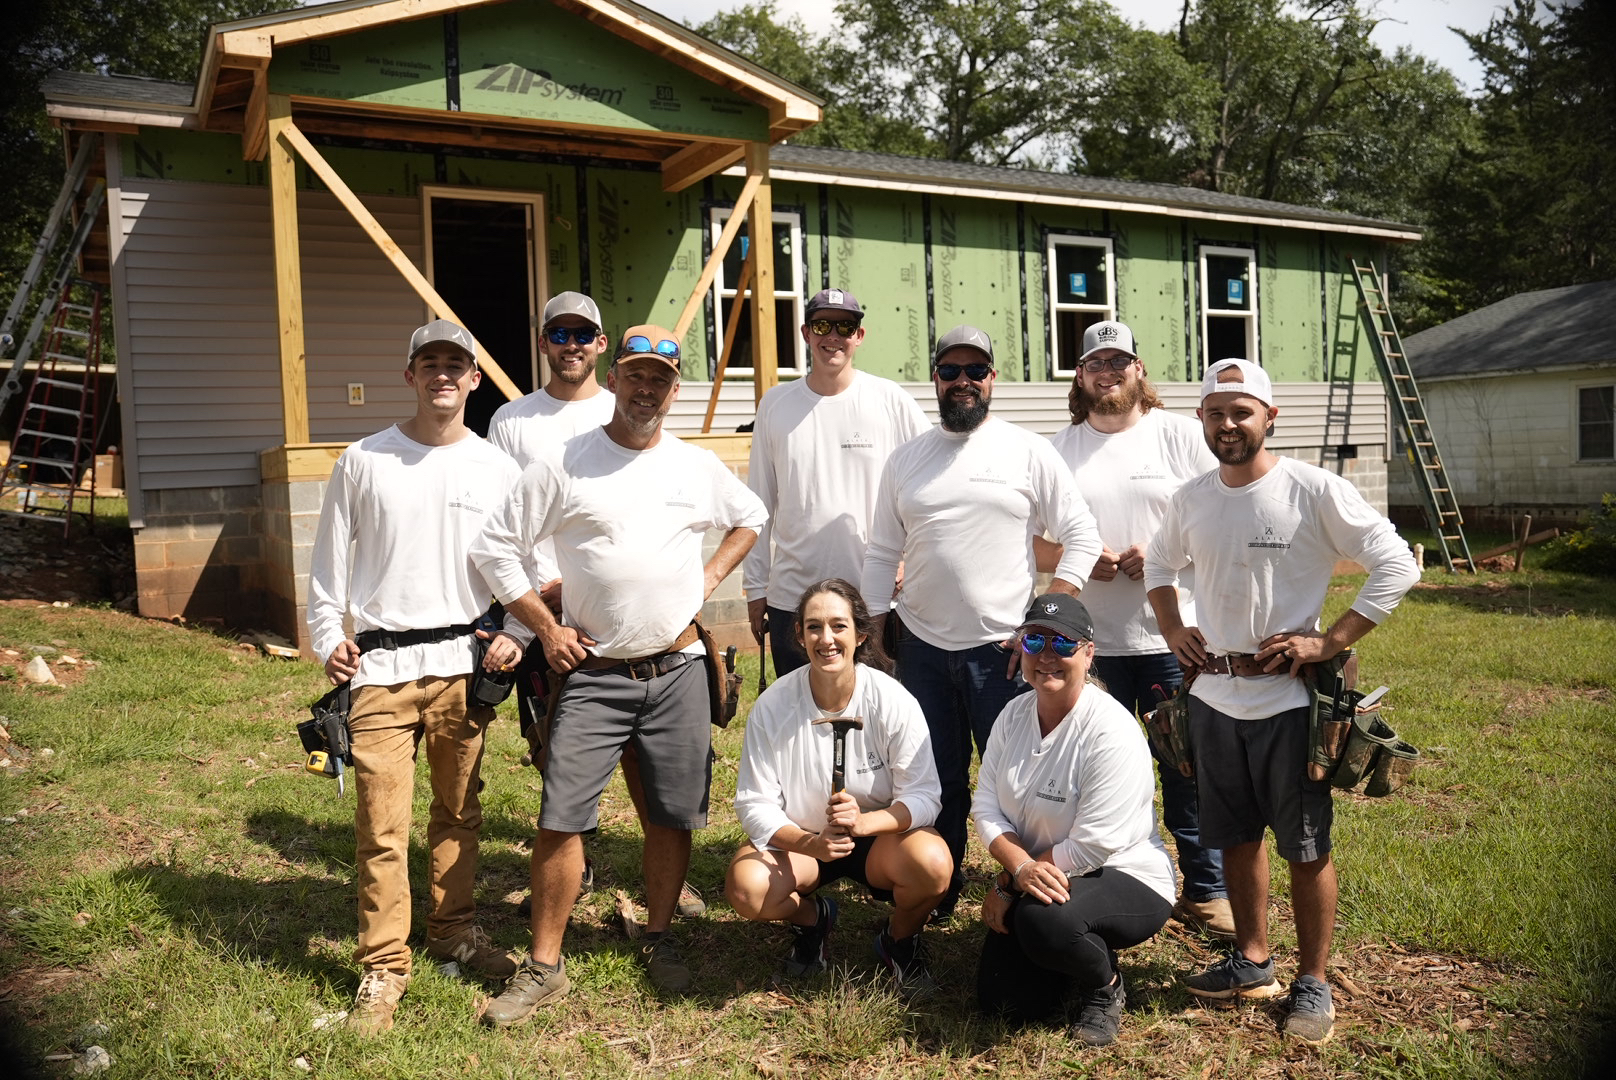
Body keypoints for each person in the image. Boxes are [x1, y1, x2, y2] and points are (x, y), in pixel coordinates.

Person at [471, 324, 766, 1027]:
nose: (645, 388)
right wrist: (546, 629)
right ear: (615, 378)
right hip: (595, 672)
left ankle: (659, 936)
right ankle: (545, 966)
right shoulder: (568, 463)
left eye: (659, 379)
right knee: (561, 817)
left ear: (673, 390)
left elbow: (750, 516)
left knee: (670, 813)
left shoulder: (694, 466)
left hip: (678, 667)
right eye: (634, 374)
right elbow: (494, 547)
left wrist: (709, 578)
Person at [1146, 358, 1420, 1045]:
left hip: (1291, 704)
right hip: (1213, 696)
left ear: (1271, 418)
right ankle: (1253, 959)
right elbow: (1158, 567)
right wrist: (1176, 628)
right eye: (1216, 412)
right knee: (1235, 838)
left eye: (1242, 412)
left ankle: (1315, 981)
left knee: (1305, 846)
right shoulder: (1192, 497)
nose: (1228, 424)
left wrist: (1330, 641)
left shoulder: (1311, 489)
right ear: (1201, 420)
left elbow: (1396, 563)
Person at [307, 318, 525, 1035]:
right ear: (410, 375)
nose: (442, 375)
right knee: (382, 822)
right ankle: (383, 967)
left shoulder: (496, 468)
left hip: (462, 667)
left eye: (455, 365)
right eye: (428, 363)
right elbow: (327, 568)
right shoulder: (365, 460)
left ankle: (455, 934)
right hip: (380, 668)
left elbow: (526, 566)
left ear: (474, 380)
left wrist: (517, 635)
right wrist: (327, 640)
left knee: (460, 813)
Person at [861, 324, 1103, 918]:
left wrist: (1045, 616)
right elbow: (879, 551)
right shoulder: (907, 458)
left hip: (1004, 652)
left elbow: (1082, 535)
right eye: (951, 371)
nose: (963, 382)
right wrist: (874, 629)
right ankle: (934, 889)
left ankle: (1022, 891)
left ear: (993, 379)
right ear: (936, 381)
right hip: (919, 644)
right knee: (931, 776)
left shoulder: (1026, 450)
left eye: (976, 371)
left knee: (1017, 781)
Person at [488, 291, 705, 919]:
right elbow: (503, 528)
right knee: (554, 748)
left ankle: (663, 875)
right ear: (544, 342)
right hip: (547, 620)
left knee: (649, 756)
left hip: (626, 622)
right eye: (560, 333)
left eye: (583, 333)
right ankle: (566, 874)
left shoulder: (637, 409)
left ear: (603, 348)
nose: (572, 344)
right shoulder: (514, 422)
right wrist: (525, 620)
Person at [1044, 319, 1232, 938]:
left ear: (1139, 369)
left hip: (1170, 636)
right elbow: (1027, 542)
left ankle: (1206, 889)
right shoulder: (1056, 449)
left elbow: (1224, 509)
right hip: (1086, 646)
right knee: (1087, 766)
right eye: (1097, 362)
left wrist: (1159, 551)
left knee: (1184, 763)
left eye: (1120, 361)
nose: (1109, 372)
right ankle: (1091, 876)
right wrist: (1078, 555)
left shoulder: (1180, 436)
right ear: (1080, 374)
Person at [727, 578, 951, 998]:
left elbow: (924, 796)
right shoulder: (774, 705)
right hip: (804, 843)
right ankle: (814, 919)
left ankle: (898, 941)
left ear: (861, 634)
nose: (825, 639)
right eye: (813, 627)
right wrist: (811, 843)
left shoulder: (893, 701)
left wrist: (866, 823)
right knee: (747, 887)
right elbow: (753, 803)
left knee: (933, 863)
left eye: (838, 626)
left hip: (881, 842)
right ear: (799, 635)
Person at [973, 593, 1174, 1047]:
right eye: (1034, 641)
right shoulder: (1012, 715)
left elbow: (1091, 847)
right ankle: (1066, 957)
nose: (1047, 656)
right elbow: (985, 805)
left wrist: (1010, 884)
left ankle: (1105, 987)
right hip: (1039, 875)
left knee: (1045, 926)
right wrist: (1019, 870)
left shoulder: (1110, 730)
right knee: (1005, 1004)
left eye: (1063, 644)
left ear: (1088, 653)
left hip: (1123, 873)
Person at [742, 289, 928, 677]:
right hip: (792, 598)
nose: (834, 336)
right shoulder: (774, 404)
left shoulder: (890, 400)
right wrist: (756, 587)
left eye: (845, 326)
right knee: (801, 721)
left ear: (860, 335)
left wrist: (912, 558)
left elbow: (931, 484)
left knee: (877, 719)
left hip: (875, 600)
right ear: (806, 332)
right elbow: (758, 502)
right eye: (823, 325)